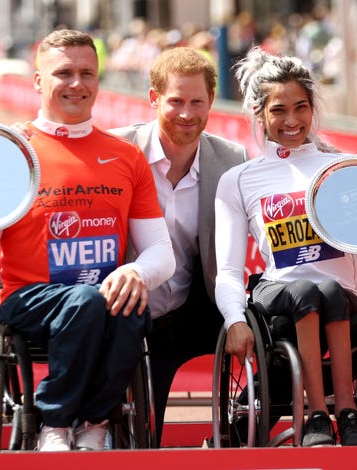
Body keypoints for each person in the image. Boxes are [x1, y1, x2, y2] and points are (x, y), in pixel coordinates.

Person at [0, 29, 175, 452]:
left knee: (129, 307)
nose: (77, 84)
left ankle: (95, 424)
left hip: (104, 302)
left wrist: (136, 271)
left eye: (87, 73)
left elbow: (161, 254)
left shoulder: (127, 157)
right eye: (64, 73)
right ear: (37, 82)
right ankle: (54, 423)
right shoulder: (11, 154)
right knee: (89, 300)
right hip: (30, 299)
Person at [214, 47, 357, 447]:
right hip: (278, 294)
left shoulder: (347, 169)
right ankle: (317, 416)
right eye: (278, 110)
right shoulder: (239, 180)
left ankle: (346, 413)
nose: (291, 121)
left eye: (300, 107)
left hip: (339, 299)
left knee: (326, 289)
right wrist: (234, 318)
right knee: (308, 289)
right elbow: (227, 268)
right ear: (259, 114)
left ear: (312, 108)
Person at [108, 46, 249, 447]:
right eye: (175, 101)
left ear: (211, 102)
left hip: (193, 308)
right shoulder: (116, 151)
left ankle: (233, 437)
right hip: (125, 311)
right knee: (141, 439)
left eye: (197, 102)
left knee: (271, 327)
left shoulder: (231, 158)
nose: (187, 113)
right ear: (154, 99)